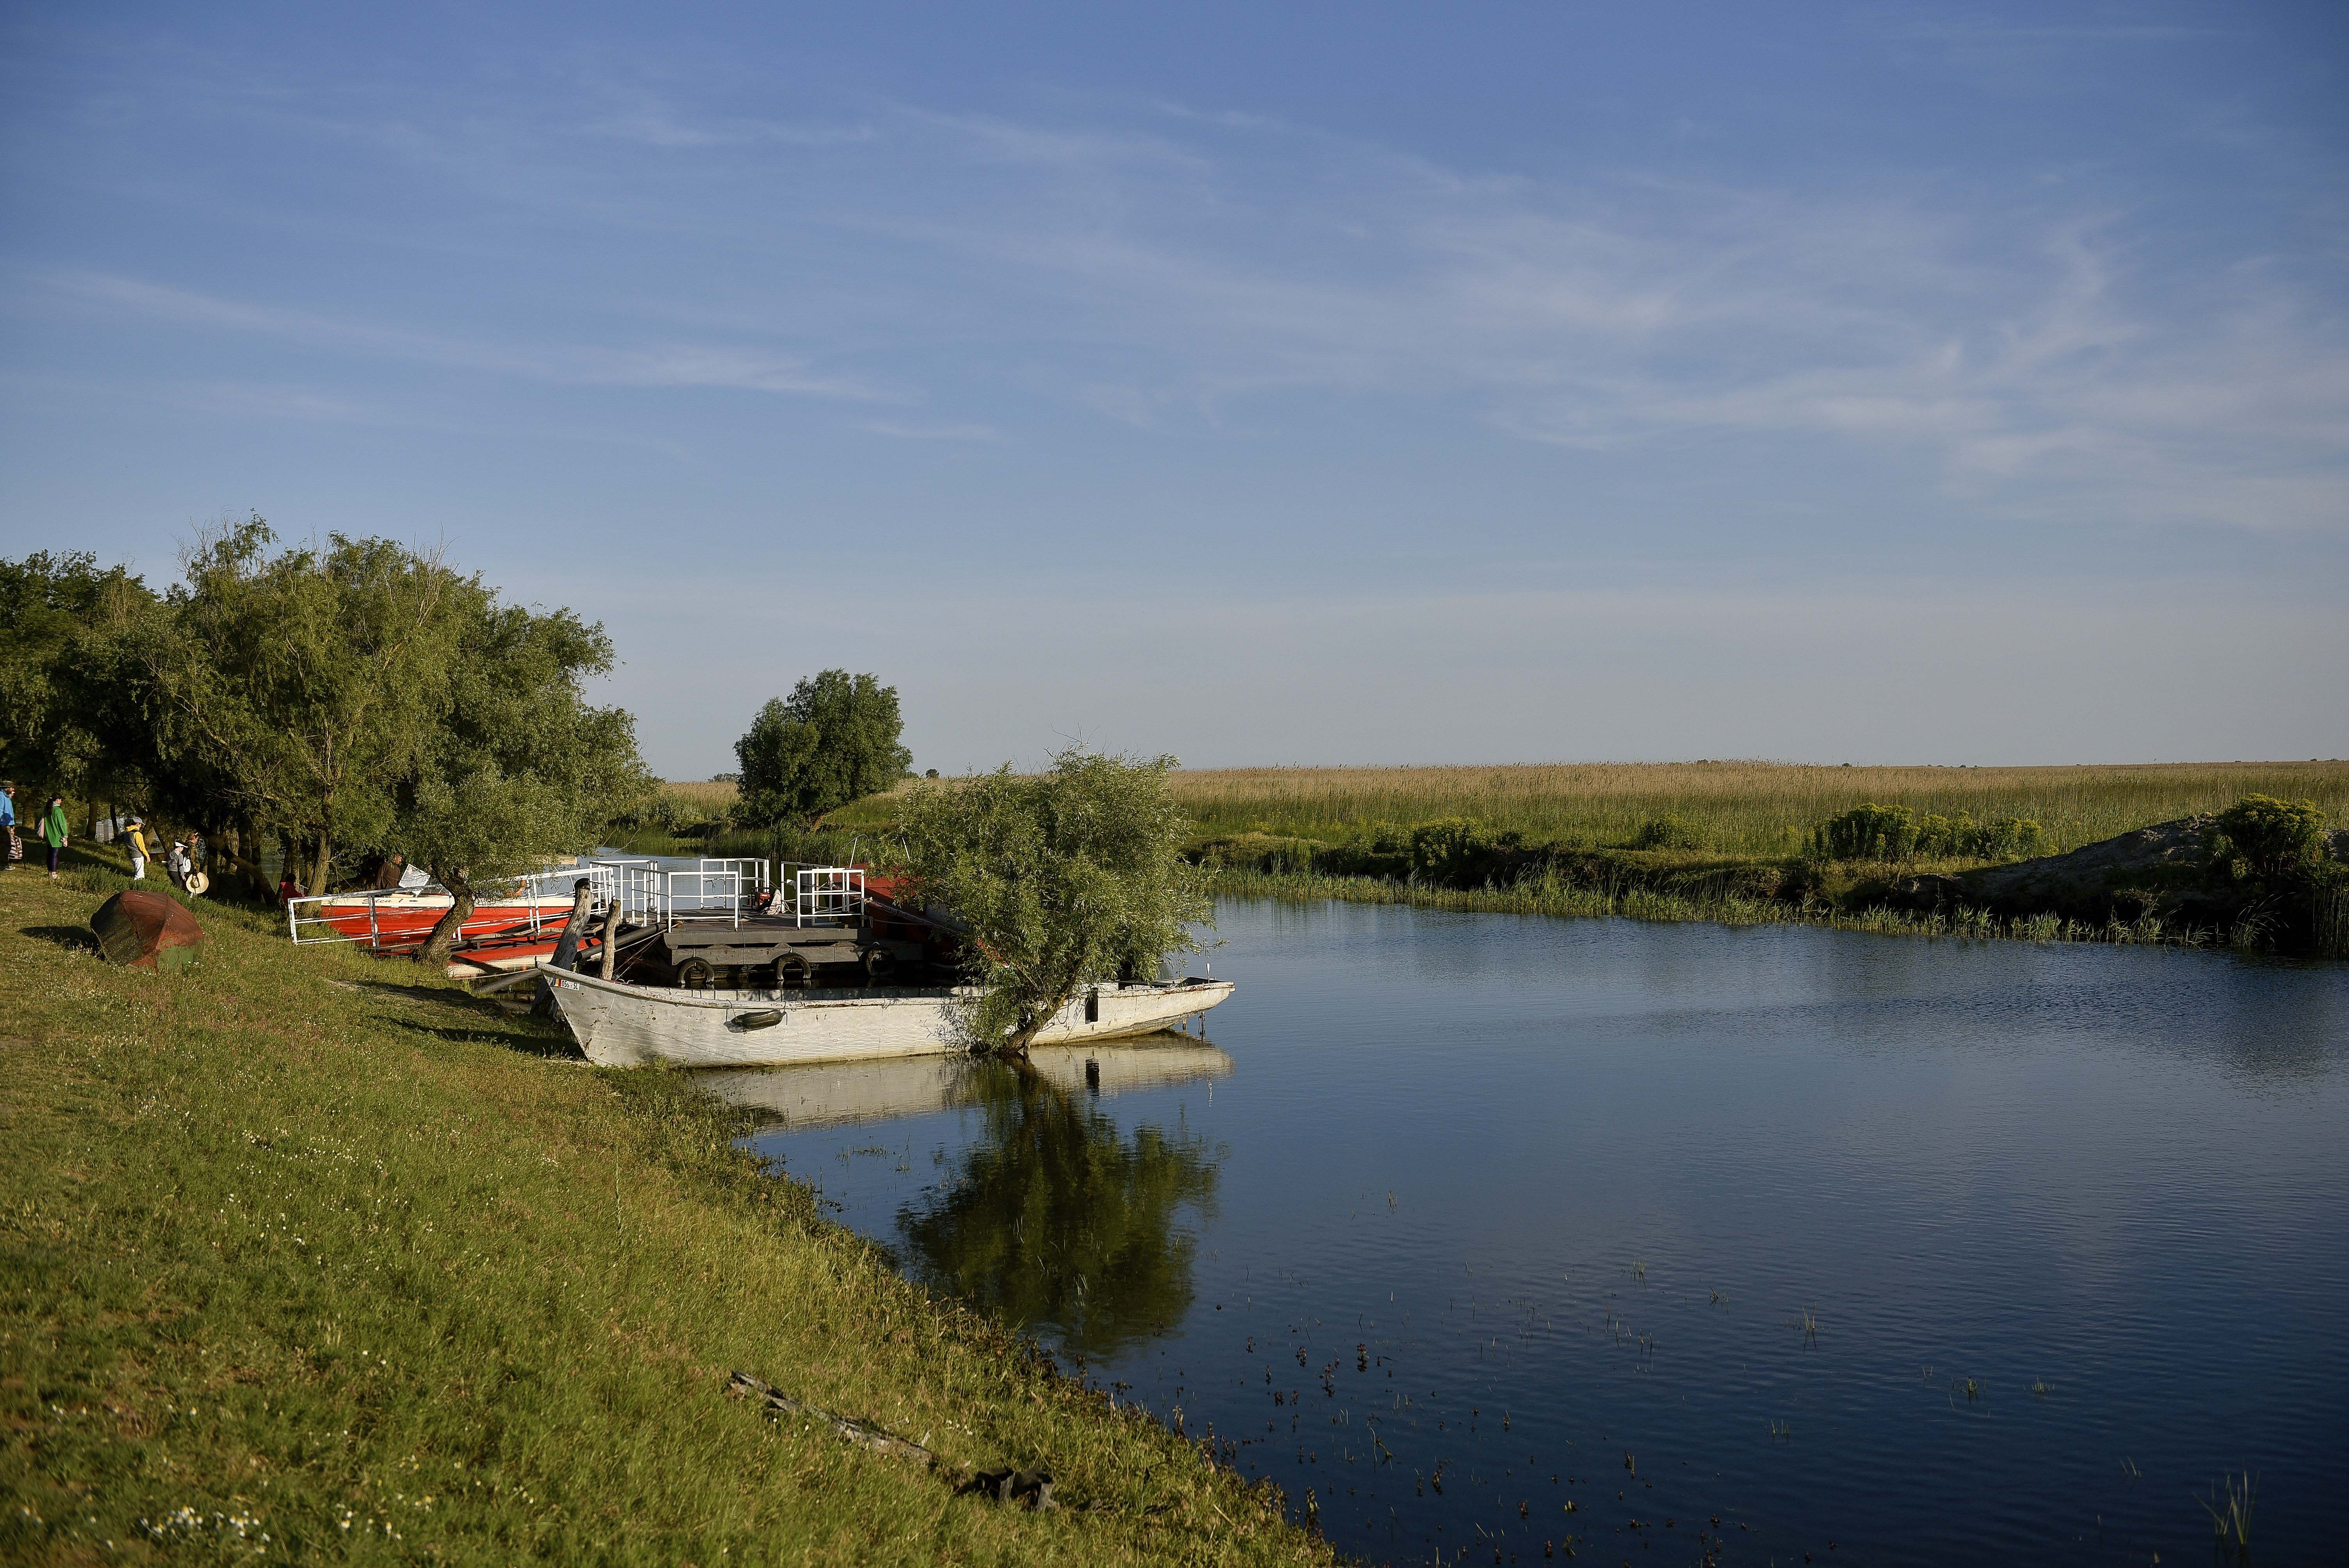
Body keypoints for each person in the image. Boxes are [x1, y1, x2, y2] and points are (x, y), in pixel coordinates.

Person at [37, 795, 70, 878]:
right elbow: (61, 824)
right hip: (57, 835)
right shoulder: (58, 810)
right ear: (57, 800)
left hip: (49, 834)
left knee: (50, 854)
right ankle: (54, 874)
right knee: (55, 855)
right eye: (61, 800)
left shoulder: (47, 809)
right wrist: (65, 835)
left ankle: (50, 872)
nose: (61, 801)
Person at [125, 816, 150, 880]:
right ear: (137, 824)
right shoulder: (137, 834)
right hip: (138, 855)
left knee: (140, 873)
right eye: (140, 824)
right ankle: (136, 885)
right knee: (139, 875)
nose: (141, 826)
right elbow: (141, 847)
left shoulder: (127, 833)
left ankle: (141, 885)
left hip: (131, 855)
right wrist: (147, 856)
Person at [0, 780, 18, 866]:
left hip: (8, 824)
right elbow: (1, 811)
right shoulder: (1, 796)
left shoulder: (7, 797)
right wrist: (3, 824)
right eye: (12, 788)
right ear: (7, 788)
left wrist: (12, 824)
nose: (13, 789)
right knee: (5, 844)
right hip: (3, 824)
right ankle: (3, 864)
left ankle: (5, 863)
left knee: (7, 844)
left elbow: (9, 811)